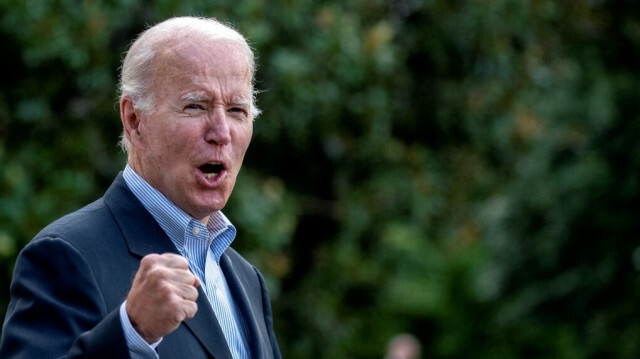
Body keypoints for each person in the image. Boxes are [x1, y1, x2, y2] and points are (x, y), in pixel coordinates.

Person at [0, 16, 281, 359]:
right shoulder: (64, 255)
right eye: (195, 106)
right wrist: (130, 331)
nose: (221, 133)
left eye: (237, 110)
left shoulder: (247, 279)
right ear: (134, 120)